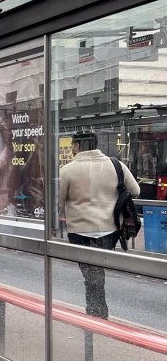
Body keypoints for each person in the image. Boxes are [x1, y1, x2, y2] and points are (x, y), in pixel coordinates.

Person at [60, 131, 140, 319]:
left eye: (72, 145)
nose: (72, 149)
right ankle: (97, 313)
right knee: (95, 274)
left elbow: (57, 202)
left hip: (79, 231)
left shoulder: (67, 170)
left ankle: (97, 315)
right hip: (110, 229)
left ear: (78, 146)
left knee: (91, 275)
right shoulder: (116, 165)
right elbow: (135, 190)